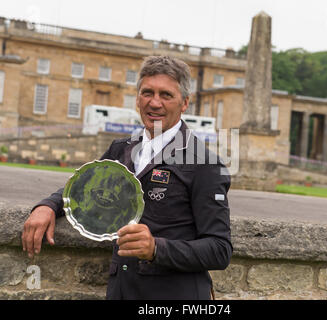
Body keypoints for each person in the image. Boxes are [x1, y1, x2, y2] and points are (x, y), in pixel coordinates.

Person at [22, 55, 233, 300]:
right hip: (121, 291)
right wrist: (48, 206)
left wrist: (156, 248)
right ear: (137, 99)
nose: (155, 103)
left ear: (184, 103)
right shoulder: (120, 149)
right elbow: (81, 188)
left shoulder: (205, 164)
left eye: (166, 95)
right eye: (147, 93)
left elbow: (219, 250)